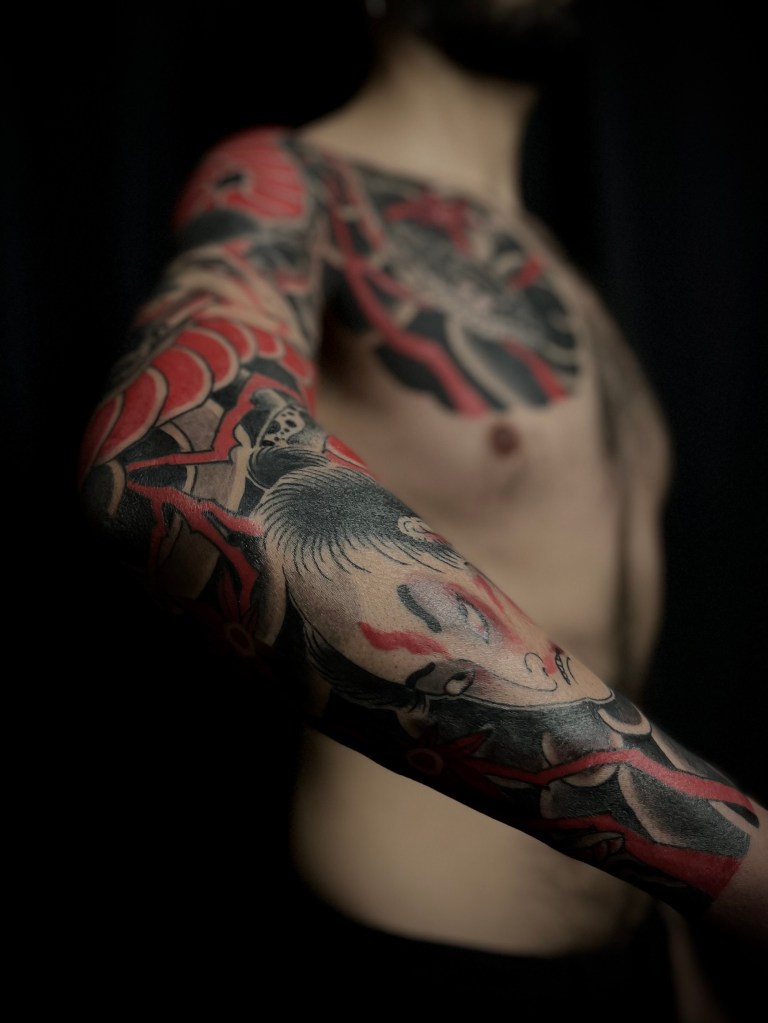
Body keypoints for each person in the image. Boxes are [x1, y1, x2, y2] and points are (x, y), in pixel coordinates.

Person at [76, 0, 767, 1016]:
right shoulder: (291, 181)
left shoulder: (558, 264)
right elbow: (171, 462)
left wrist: (674, 937)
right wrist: (740, 862)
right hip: (431, 966)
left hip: (643, 955)